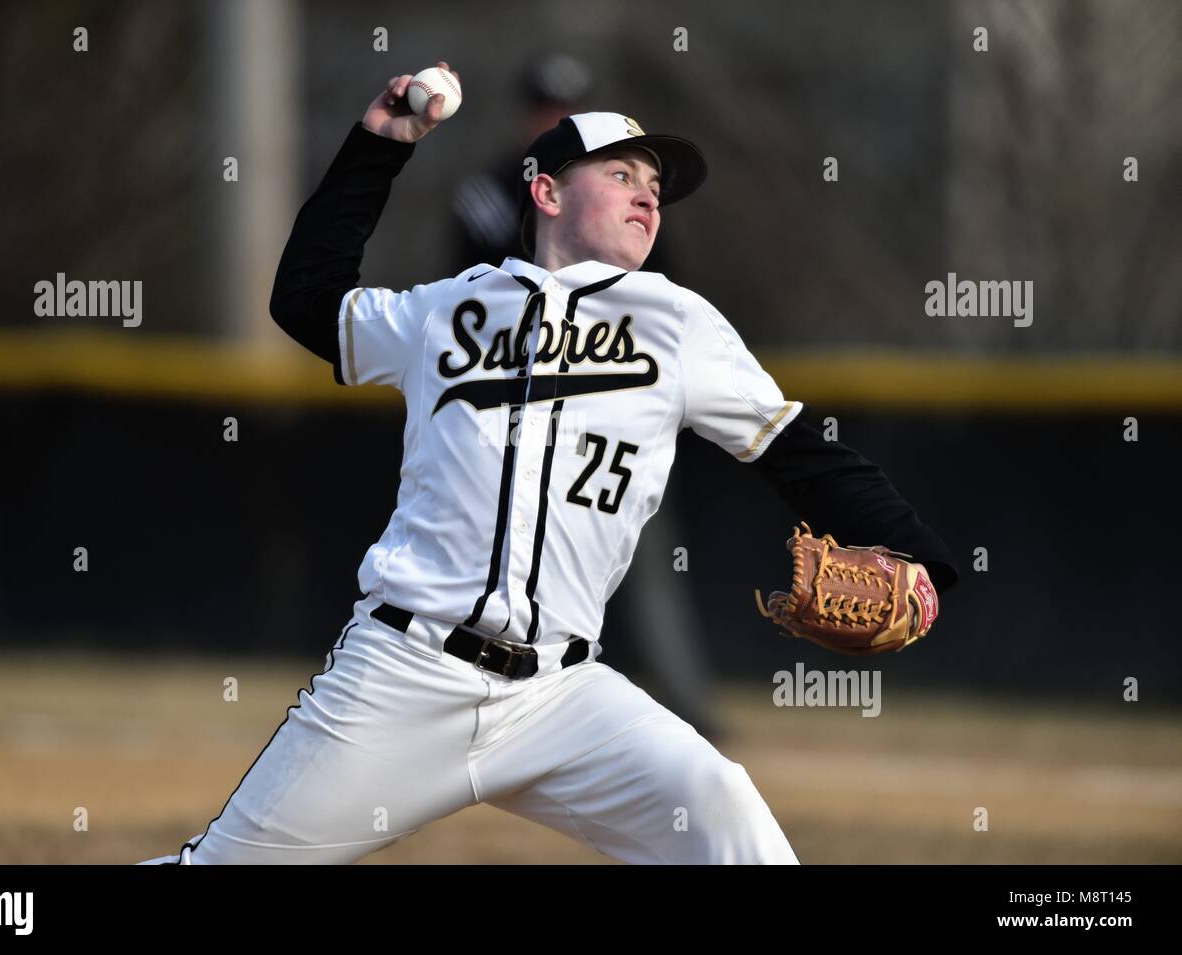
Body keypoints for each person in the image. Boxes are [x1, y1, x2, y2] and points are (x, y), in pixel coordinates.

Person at [143, 61, 958, 865]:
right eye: (622, 173)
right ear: (547, 191)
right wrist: (378, 145)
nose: (649, 195)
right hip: (403, 672)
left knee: (721, 806)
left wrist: (918, 552)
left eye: (656, 185)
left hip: (560, 695)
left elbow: (801, 454)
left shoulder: (678, 324)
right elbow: (307, 298)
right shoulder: (448, 307)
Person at [446, 53, 719, 737]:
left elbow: (670, 307)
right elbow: (469, 306)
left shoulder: (628, 202)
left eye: (570, 110)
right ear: (526, 118)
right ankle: (468, 703)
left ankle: (685, 711)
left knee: (644, 559)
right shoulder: (484, 195)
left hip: (608, 411)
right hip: (513, 419)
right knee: (493, 563)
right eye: (546, 110)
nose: (557, 120)